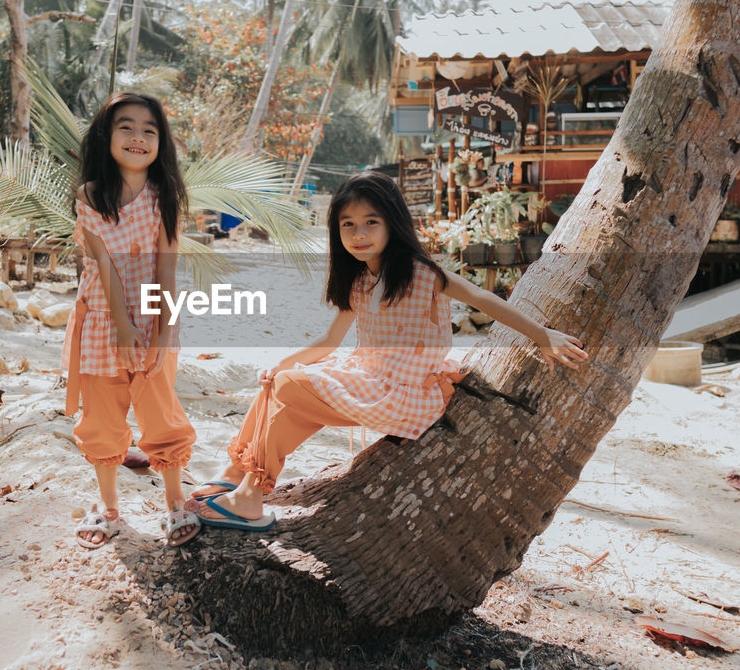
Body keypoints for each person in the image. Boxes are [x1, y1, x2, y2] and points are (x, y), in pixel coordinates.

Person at [188, 171, 589, 530]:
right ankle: (236, 478)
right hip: (367, 378)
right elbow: (329, 341)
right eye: (348, 225)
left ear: (392, 224)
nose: (358, 234)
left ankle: (248, 495)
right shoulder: (359, 281)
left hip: (405, 392)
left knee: (290, 387)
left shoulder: (421, 273)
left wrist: (542, 335)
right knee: (278, 382)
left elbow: (483, 298)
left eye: (370, 222)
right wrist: (278, 365)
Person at [63, 92, 200, 549]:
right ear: (106, 135)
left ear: (161, 142)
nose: (138, 137)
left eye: (149, 129)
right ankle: (108, 506)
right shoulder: (89, 196)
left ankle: (176, 503)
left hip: (157, 313)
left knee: (160, 411)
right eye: (126, 126)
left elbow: (167, 268)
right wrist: (122, 328)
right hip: (104, 315)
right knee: (101, 415)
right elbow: (103, 266)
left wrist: (161, 332)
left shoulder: (165, 197)